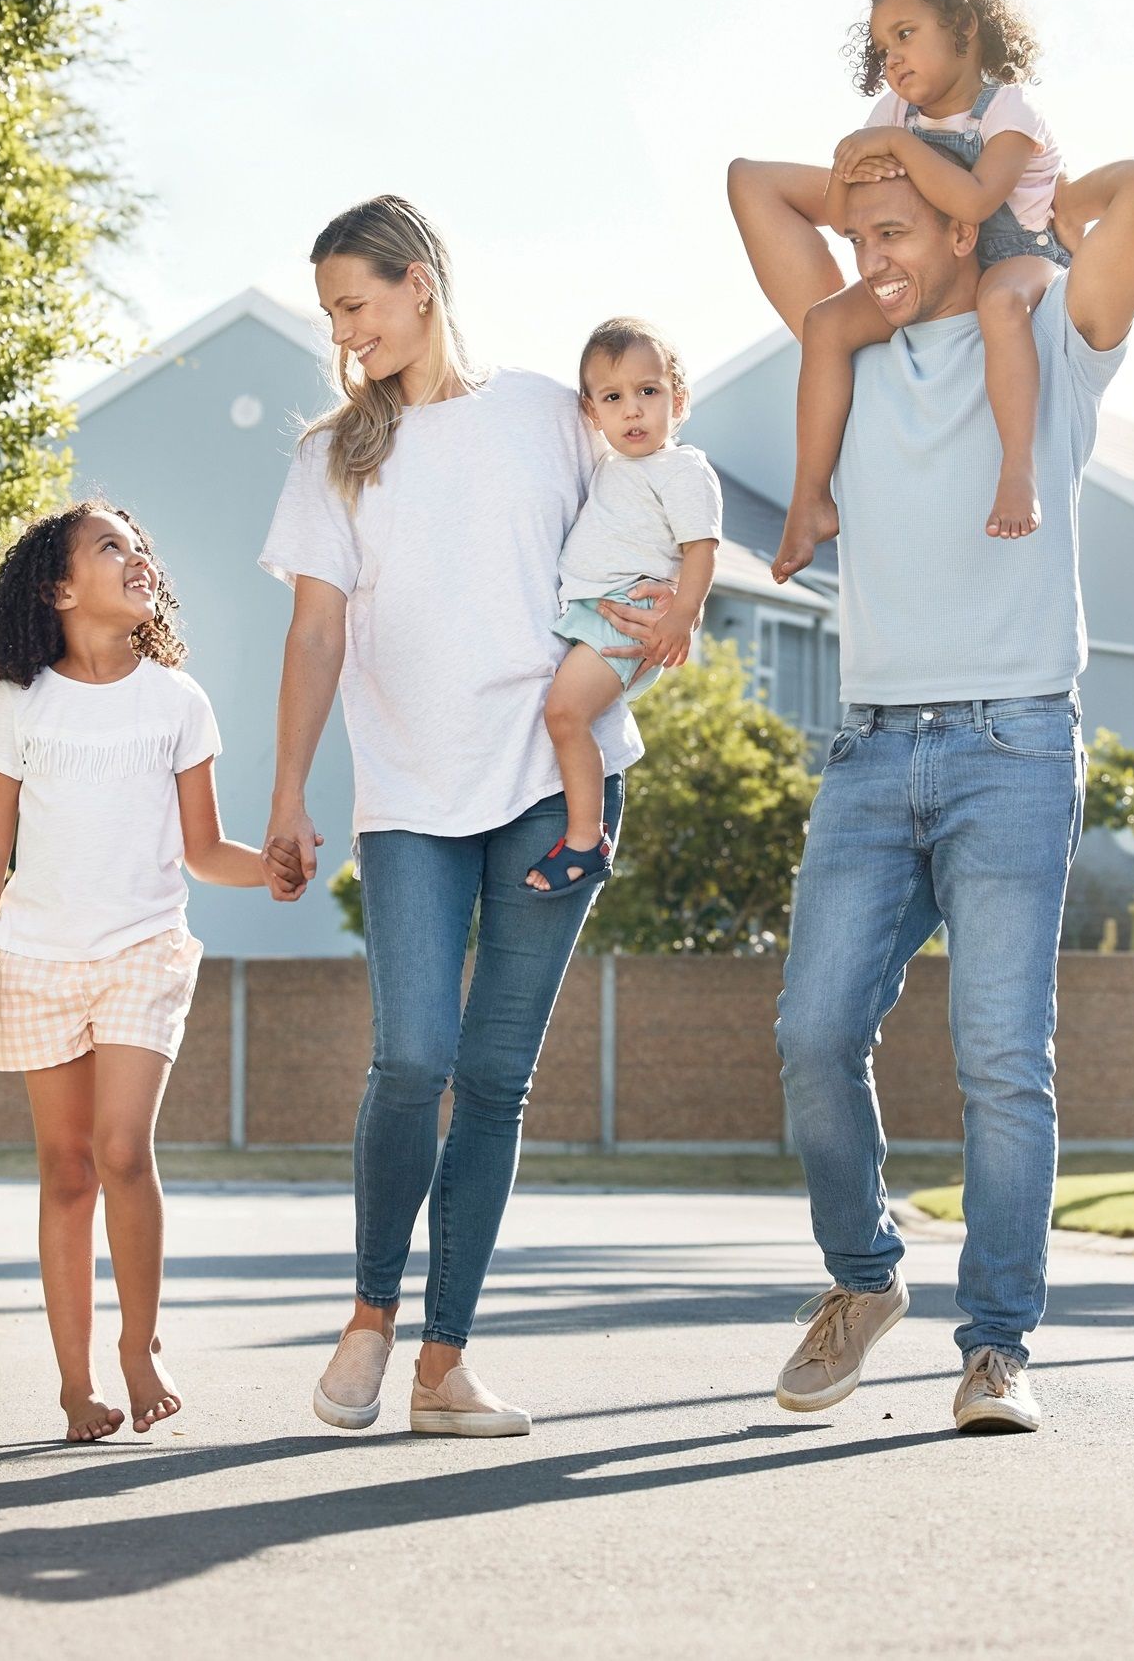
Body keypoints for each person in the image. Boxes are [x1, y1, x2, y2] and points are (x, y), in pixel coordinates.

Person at [726, 139, 1134, 1432]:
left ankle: (997, 1349)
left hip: (1014, 748)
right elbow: (751, 186)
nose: (868, 257)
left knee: (1002, 1060)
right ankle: (863, 1281)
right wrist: (876, 182)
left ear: (964, 229)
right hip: (870, 751)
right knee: (814, 1035)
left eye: (893, 235)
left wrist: (996, 197)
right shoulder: (844, 349)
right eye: (856, 234)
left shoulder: (1046, 340)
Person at [258, 195, 679, 1437]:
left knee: (493, 1080)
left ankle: (444, 1364)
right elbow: (318, 630)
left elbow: (641, 538)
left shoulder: (554, 413)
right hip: (411, 798)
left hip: (557, 779)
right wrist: (288, 792)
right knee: (412, 1061)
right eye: (332, 312)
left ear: (419, 283)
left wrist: (662, 621)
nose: (343, 333)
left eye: (357, 303)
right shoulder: (334, 455)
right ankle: (370, 1321)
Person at [0, 501, 269, 1442]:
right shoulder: (20, 704)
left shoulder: (177, 700)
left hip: (142, 947)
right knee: (66, 1172)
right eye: (111, 548)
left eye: (140, 550)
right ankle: (76, 1383)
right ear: (60, 587)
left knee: (124, 1151)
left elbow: (204, 849)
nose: (137, 560)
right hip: (39, 959)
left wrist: (272, 866)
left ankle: (140, 1345)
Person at [730, 0, 1070, 578]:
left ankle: (1018, 468)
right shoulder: (892, 112)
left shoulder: (1008, 111)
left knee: (1000, 305)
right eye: (882, 45)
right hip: (934, 260)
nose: (891, 57)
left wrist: (899, 150)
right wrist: (850, 165)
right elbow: (840, 215)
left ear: (964, 26)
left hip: (1019, 255)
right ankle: (810, 498)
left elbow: (974, 201)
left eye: (906, 34)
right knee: (827, 324)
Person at [523, 316, 722, 896]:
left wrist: (682, 617)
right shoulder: (611, 464)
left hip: (629, 618)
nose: (632, 410)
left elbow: (701, 550)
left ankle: (586, 840)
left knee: (565, 715)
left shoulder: (682, 468)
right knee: (563, 715)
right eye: (614, 397)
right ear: (593, 412)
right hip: (597, 613)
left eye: (648, 392)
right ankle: (583, 833)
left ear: (677, 400)